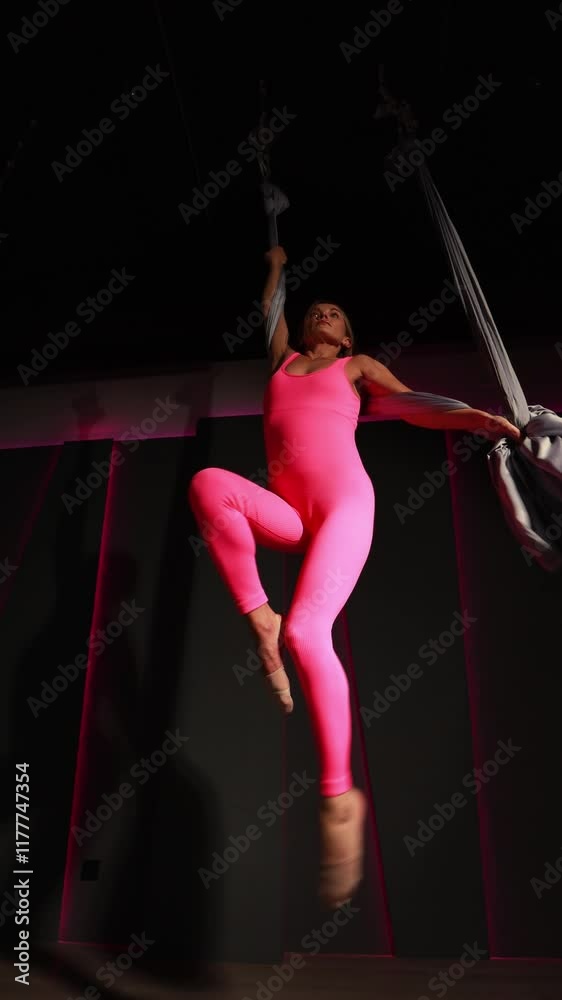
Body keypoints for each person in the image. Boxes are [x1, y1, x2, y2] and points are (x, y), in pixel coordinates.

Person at [187, 245, 521, 910]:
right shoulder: (282, 360)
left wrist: (475, 418)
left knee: (309, 634)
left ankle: (339, 798)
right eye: (316, 309)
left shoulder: (356, 366)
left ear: (346, 336)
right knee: (208, 485)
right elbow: (270, 310)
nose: (323, 314)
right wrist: (276, 264)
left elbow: (412, 405)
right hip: (291, 513)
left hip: (344, 506)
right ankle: (259, 617)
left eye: (334, 312)